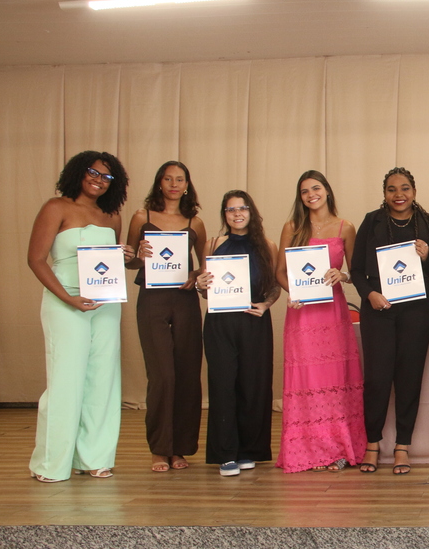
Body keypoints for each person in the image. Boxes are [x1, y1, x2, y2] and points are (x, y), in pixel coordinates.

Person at [27, 151, 132, 482]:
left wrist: (126, 255)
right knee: (65, 382)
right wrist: (68, 298)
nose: (99, 180)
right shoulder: (56, 207)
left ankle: (94, 458)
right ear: (78, 172)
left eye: (107, 177)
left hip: (105, 305)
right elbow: (36, 259)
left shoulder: (111, 216)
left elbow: (110, 262)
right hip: (66, 301)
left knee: (103, 379)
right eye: (93, 172)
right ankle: (51, 464)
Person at [351, 167, 429, 474]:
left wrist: (428, 256)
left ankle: (402, 446)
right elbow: (356, 269)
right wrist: (369, 294)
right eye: (392, 189)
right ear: (384, 194)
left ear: (414, 192)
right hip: (378, 309)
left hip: (417, 312)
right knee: (377, 379)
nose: (399, 195)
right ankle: (372, 444)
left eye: (405, 188)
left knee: (409, 378)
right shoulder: (372, 222)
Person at [276, 170, 367, 473]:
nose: (311, 195)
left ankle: (338, 449)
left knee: (335, 380)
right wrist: (293, 292)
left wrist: (342, 275)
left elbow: (357, 272)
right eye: (304, 191)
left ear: (327, 190)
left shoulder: (345, 227)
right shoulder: (292, 227)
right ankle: (308, 451)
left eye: (315, 188)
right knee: (307, 380)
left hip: (333, 313)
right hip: (302, 313)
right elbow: (280, 272)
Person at [125, 161, 206, 473]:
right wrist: (137, 255)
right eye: (168, 179)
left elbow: (204, 265)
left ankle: (180, 448)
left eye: (180, 179)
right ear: (159, 183)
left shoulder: (195, 222)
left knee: (187, 375)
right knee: (162, 376)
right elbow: (130, 261)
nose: (174, 184)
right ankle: (160, 449)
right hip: (152, 300)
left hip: (185, 300)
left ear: (187, 185)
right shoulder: (141, 217)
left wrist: (196, 275)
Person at [196, 190, 280, 476]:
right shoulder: (213, 244)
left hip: (254, 321)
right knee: (223, 386)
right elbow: (206, 290)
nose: (237, 214)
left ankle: (249, 450)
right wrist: (201, 285)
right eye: (231, 209)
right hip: (220, 323)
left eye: (242, 208)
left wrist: (266, 305)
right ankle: (225, 453)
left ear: (251, 211)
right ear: (225, 214)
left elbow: (274, 285)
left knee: (253, 387)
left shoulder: (267, 246)